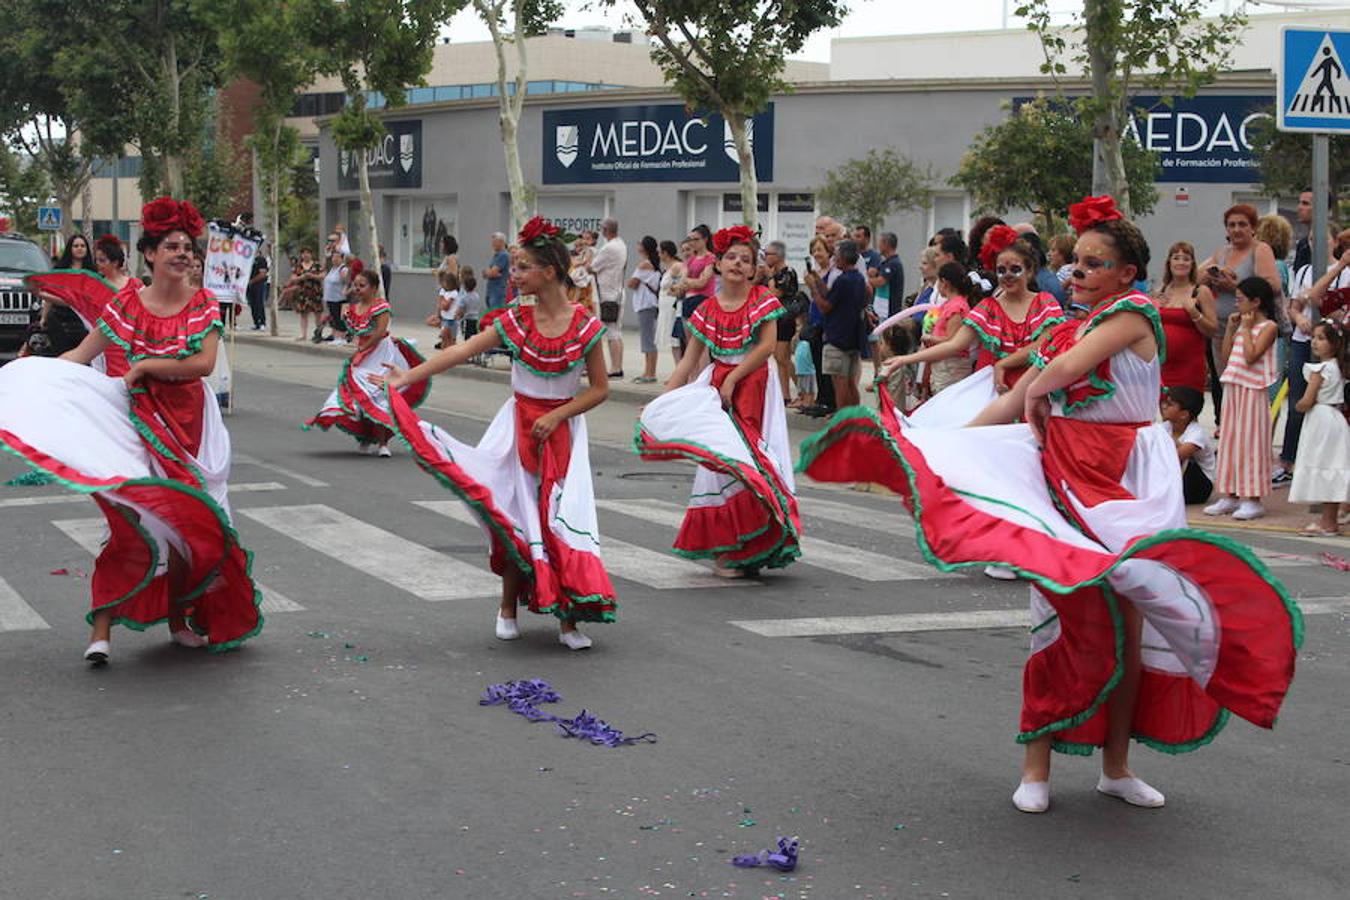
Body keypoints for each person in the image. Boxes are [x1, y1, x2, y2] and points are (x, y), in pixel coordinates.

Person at [799, 194, 1300, 814]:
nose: (1078, 272)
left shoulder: (1135, 313)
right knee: (1059, 620)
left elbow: (1061, 370)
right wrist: (948, 449)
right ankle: (1035, 765)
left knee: (1134, 622)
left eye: (1093, 264)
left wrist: (1039, 387)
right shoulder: (1070, 323)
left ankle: (1116, 766)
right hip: (1066, 476)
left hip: (1128, 483)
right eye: (1076, 263)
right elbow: (1022, 392)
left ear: (1125, 273)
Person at [1, 198, 263, 663]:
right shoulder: (128, 302)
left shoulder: (203, 302)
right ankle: (100, 631)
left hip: (192, 429)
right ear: (150, 254)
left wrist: (146, 364)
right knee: (129, 523)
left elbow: (202, 364)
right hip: (136, 421)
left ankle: (180, 621)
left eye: (187, 247)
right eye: (172, 247)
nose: (183, 254)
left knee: (188, 527)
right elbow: (81, 356)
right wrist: (35, 378)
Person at [373, 217, 616, 649]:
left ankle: (568, 619)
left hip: (560, 434)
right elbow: (462, 350)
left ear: (551, 272)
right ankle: (507, 607)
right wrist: (405, 378)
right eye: (515, 267)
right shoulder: (516, 320)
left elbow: (600, 390)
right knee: (513, 516)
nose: (514, 274)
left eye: (523, 268)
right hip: (517, 428)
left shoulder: (585, 325)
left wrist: (560, 416)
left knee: (557, 520)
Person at [636, 225, 799, 577]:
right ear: (718, 265)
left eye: (745, 260)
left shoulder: (762, 301)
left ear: (755, 270)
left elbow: (767, 347)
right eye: (730, 258)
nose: (738, 264)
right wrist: (661, 403)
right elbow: (687, 362)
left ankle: (753, 547)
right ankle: (727, 550)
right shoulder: (707, 309)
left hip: (755, 387)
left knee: (753, 462)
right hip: (719, 389)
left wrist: (736, 378)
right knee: (724, 464)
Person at [883, 230, 1063, 395]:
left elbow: (1043, 343)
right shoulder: (989, 307)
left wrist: (1004, 363)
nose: (1007, 275)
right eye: (1001, 270)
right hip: (996, 390)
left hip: (1035, 387)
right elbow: (954, 345)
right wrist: (905, 360)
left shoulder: (1044, 302)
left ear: (1030, 271)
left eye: (1015, 269)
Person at [305, 261, 426, 457]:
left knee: (377, 395)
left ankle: (382, 443)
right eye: (356, 285)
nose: (358, 289)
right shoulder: (354, 308)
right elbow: (352, 332)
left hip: (380, 355)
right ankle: (365, 438)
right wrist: (342, 319)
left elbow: (379, 333)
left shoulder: (382, 307)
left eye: (362, 286)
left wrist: (363, 349)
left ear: (374, 287)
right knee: (358, 397)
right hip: (363, 354)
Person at [1204, 277, 1281, 521]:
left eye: (1241, 299)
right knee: (1230, 440)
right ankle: (1229, 494)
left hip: (1253, 389)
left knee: (1251, 443)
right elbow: (1226, 357)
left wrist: (1246, 329)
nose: (1237, 304)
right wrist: (1231, 329)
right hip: (1234, 386)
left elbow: (1251, 356)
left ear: (1256, 302)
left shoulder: (1268, 327)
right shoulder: (1241, 326)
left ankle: (1252, 498)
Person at [1200, 204, 1280, 419]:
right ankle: (1229, 426)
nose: (1236, 230)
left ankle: (1252, 428)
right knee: (1226, 381)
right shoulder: (1222, 252)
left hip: (1253, 326)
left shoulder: (1260, 249)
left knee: (1251, 383)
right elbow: (1196, 278)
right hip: (1222, 328)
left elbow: (1272, 286)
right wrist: (1211, 276)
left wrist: (1236, 287)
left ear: (1253, 228)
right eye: (1231, 225)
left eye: (1242, 224)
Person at [1288, 321, 1350, 535]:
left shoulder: (1319, 369)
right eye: (1314, 337)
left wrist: (1298, 406)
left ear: (1334, 343)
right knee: (1331, 468)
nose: (1314, 342)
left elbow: (1307, 400)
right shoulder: (1338, 368)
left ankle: (1327, 523)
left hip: (1320, 420)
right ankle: (1330, 520)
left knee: (1323, 466)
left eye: (1321, 338)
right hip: (1335, 418)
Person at [805, 239, 867, 410]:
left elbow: (826, 306)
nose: (834, 259)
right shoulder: (858, 278)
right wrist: (817, 279)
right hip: (852, 336)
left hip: (837, 337)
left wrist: (813, 289)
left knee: (839, 382)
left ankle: (842, 419)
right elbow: (832, 295)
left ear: (844, 258)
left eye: (836, 256)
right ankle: (855, 416)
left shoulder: (843, 280)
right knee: (850, 381)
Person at [1155, 242, 1218, 394]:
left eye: (1186, 259)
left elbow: (1212, 330)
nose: (1181, 262)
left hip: (1189, 366)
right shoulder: (1159, 292)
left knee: (1185, 411)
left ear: (1192, 264)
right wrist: (1153, 308)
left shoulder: (1200, 292)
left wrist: (1194, 313)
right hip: (1162, 365)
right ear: (1169, 263)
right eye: (1176, 258)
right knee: (1164, 410)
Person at [923, 262, 979, 394]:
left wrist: (929, 337)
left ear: (944, 283)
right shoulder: (951, 304)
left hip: (951, 365)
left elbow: (952, 341)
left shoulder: (956, 307)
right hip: (944, 363)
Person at [1161, 385, 1215, 504]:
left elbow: (1177, 456)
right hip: (1180, 481)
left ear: (1184, 414)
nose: (1163, 406)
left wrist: (1163, 441)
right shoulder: (1165, 427)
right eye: (1165, 403)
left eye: (1170, 405)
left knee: (1182, 459)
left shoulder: (1197, 432)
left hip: (1200, 486)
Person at [761, 240, 800, 403]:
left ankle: (802, 390)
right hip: (775, 319)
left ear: (777, 256)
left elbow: (774, 294)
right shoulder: (774, 274)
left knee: (783, 357)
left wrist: (770, 277)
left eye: (767, 254)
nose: (765, 258)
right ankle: (785, 394)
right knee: (779, 358)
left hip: (785, 319)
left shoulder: (787, 272)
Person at [590, 217, 628, 378]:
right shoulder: (621, 244)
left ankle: (615, 368)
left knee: (612, 332)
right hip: (616, 292)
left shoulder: (609, 248)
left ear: (605, 230)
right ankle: (617, 366)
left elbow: (592, 267)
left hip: (609, 294)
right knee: (615, 331)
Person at [672, 226, 716, 358]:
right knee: (689, 344)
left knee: (701, 345)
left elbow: (703, 281)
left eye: (696, 239)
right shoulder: (691, 259)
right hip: (689, 300)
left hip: (702, 300)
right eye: (691, 239)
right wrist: (687, 283)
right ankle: (692, 376)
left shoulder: (710, 258)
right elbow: (683, 281)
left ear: (705, 240)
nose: (692, 242)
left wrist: (687, 283)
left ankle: (701, 376)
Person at [626, 235, 661, 383]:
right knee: (647, 338)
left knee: (647, 339)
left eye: (640, 243)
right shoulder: (652, 263)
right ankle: (647, 371)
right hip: (649, 304)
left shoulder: (644, 265)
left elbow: (631, 283)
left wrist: (632, 280)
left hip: (645, 304)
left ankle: (650, 373)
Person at [285, 247, 325, 343]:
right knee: (303, 314)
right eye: (304, 253)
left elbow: (322, 276)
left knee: (317, 313)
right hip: (303, 292)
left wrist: (313, 276)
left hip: (315, 292)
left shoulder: (317, 265)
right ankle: (303, 334)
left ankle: (318, 333)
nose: (306, 255)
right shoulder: (298, 266)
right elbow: (293, 278)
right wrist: (302, 277)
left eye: (308, 253)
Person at [656, 239, 684, 369]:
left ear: (666, 253)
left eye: (660, 252)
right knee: (673, 342)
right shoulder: (669, 268)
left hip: (672, 306)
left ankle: (679, 370)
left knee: (675, 341)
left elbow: (680, 283)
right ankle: (677, 369)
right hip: (665, 306)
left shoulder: (676, 266)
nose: (659, 255)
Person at [319, 245, 350, 344]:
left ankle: (341, 337)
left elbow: (348, 282)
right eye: (333, 257)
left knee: (340, 319)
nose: (334, 259)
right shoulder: (332, 269)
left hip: (339, 298)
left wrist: (346, 287)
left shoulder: (343, 269)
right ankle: (336, 336)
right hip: (330, 298)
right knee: (334, 318)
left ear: (342, 258)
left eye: (337, 257)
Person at [792, 313, 817, 410]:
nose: (797, 329)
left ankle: (808, 402)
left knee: (807, 387)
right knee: (804, 385)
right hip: (802, 369)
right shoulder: (800, 341)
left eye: (799, 326)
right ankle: (806, 401)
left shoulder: (806, 342)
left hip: (806, 369)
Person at [436, 269, 463, 349]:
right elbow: (441, 304)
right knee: (444, 338)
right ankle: (445, 351)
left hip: (451, 320)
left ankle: (452, 353)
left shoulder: (454, 293)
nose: (443, 284)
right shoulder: (446, 293)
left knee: (451, 339)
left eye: (445, 282)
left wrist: (442, 303)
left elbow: (446, 306)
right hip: (445, 318)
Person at [483, 231, 510, 311]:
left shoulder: (503, 255)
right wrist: (489, 272)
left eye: (494, 242)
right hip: (491, 290)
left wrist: (490, 272)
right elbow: (487, 273)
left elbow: (492, 273)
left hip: (497, 292)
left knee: (496, 315)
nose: (492, 244)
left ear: (501, 242)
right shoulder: (496, 255)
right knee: (491, 314)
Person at [246, 242, 269, 331]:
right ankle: (256, 323)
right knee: (252, 304)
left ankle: (262, 322)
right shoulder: (248, 260)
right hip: (250, 285)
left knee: (259, 303)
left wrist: (252, 281)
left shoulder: (261, 260)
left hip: (259, 284)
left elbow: (262, 274)